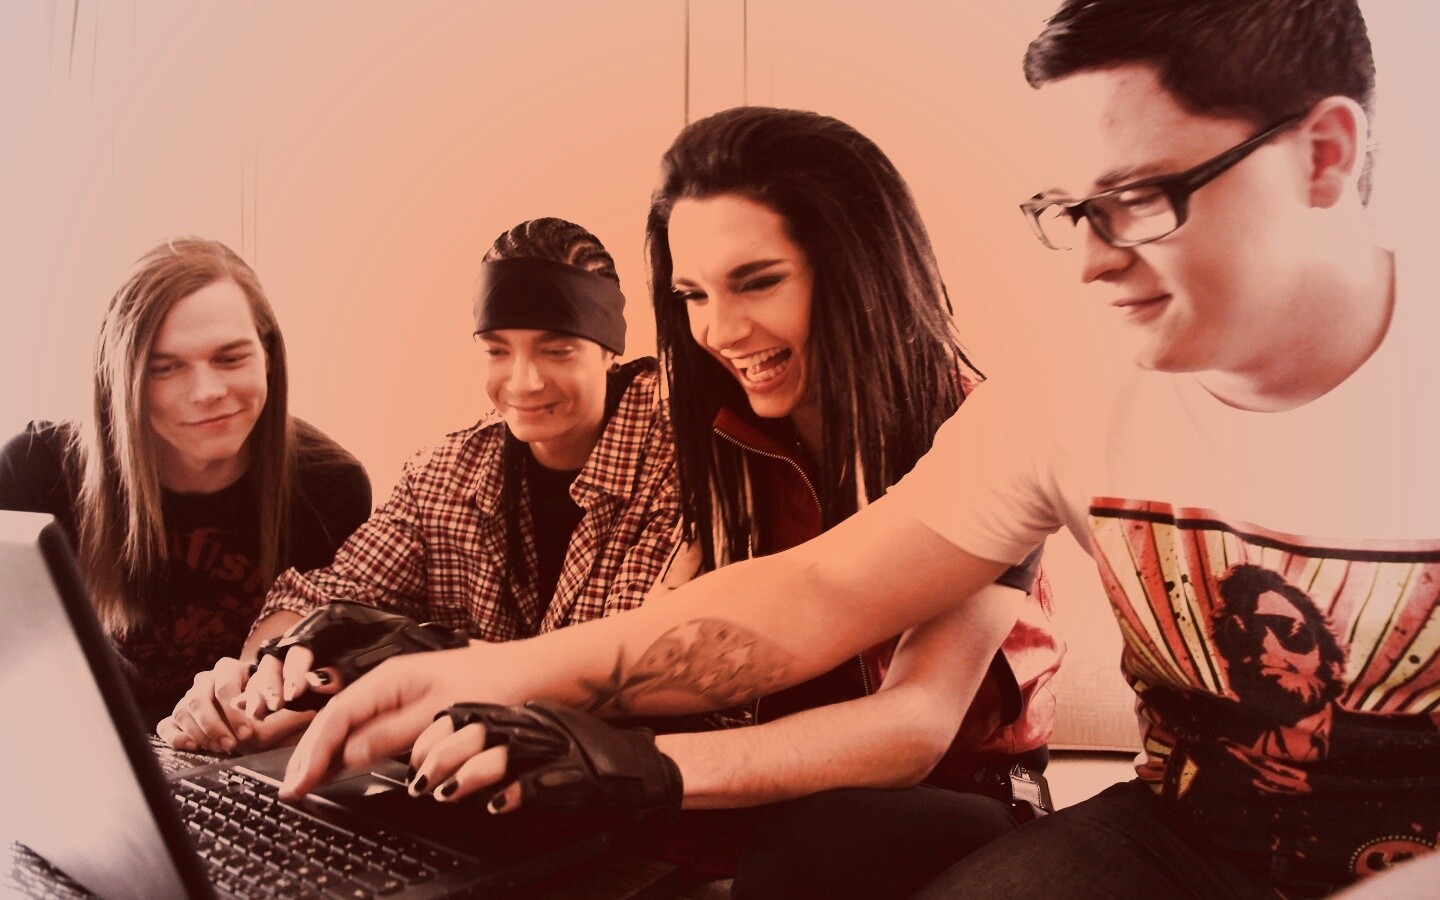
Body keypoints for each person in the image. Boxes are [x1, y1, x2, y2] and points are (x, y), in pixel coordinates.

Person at [279, 0, 1439, 895]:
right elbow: (811, 599)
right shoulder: (1064, 395)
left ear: (1325, 155)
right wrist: (468, 676)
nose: (1090, 260)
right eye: (1072, 212)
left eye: (1137, 199)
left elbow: (911, 726)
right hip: (1179, 833)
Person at [405, 107, 1061, 895]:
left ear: (857, 267)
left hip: (939, 802)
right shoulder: (714, 421)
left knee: (821, 841)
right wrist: (435, 674)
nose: (720, 329)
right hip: (772, 788)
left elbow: (915, 727)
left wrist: (636, 765)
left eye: (757, 282)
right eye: (692, 294)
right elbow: (669, 644)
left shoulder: (975, 432)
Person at [161, 217, 682, 754]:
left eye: (558, 350)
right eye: (497, 350)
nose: (523, 381)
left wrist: (429, 656)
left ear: (609, 348)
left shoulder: (685, 462)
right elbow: (325, 596)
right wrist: (258, 683)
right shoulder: (445, 472)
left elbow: (636, 671)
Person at [0, 237, 370, 728]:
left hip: (249, 751)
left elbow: (320, 673)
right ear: (121, 377)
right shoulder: (37, 471)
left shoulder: (330, 486)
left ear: (268, 356)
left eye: (230, 358)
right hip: (86, 743)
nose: (206, 392)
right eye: (166, 368)